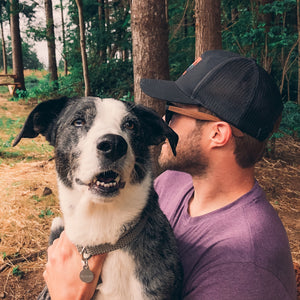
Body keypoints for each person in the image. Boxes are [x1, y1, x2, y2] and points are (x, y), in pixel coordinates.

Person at [43, 50, 297, 299]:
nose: (163, 120)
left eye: (174, 112)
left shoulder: (244, 271)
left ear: (217, 134)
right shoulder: (176, 181)